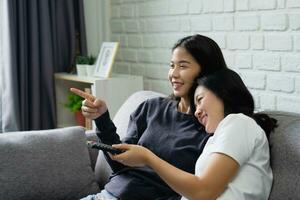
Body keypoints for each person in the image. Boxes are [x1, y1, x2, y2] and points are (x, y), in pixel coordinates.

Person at [71, 34, 228, 200]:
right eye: (171, 65)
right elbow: (120, 165)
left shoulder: (212, 126)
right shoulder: (151, 107)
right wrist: (101, 118)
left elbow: (198, 191)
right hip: (107, 196)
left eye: (182, 66)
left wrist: (147, 158)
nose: (173, 74)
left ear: (206, 70)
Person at [111, 68, 277, 200]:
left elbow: (203, 191)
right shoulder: (219, 136)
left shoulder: (239, 123)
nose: (196, 112)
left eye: (200, 99)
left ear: (222, 92)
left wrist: (148, 158)